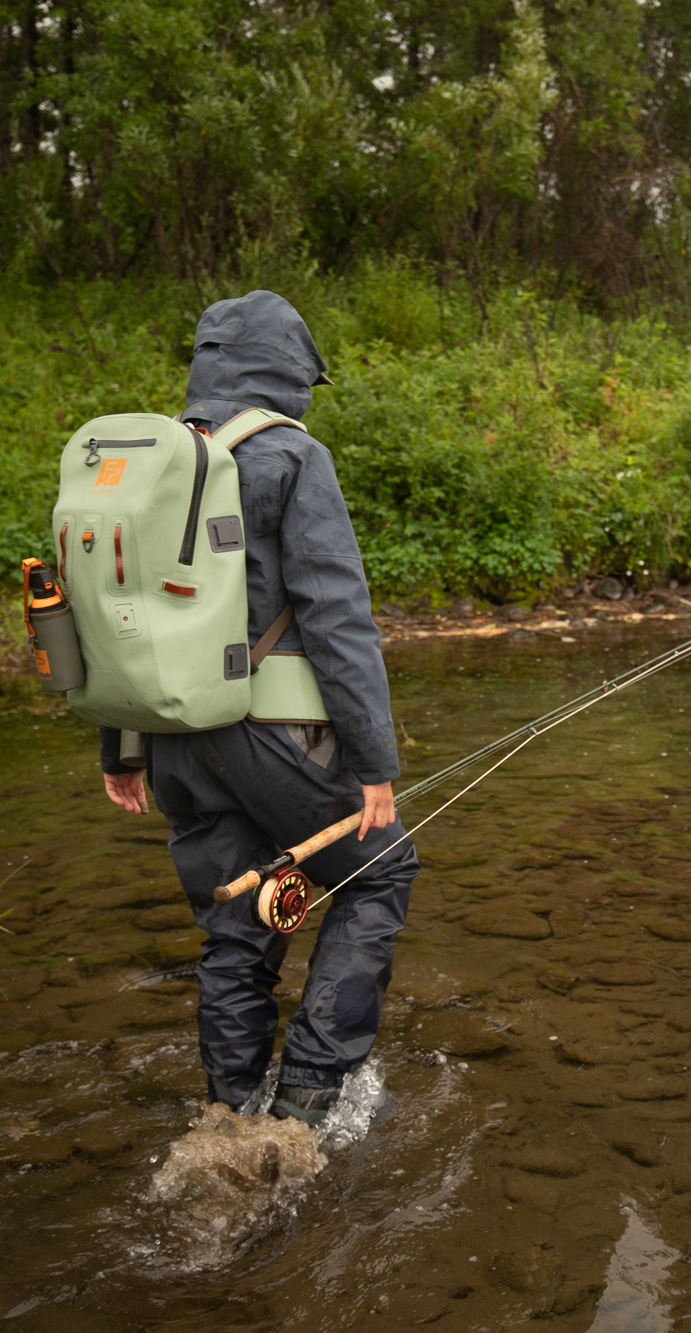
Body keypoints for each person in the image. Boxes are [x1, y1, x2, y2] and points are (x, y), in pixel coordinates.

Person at [99, 290, 417, 1126]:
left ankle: (232, 1119)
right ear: (290, 368)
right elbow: (337, 617)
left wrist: (121, 748)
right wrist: (375, 763)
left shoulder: (151, 456)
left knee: (236, 928)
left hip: (168, 736)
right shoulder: (288, 455)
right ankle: (308, 1103)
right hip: (274, 735)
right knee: (379, 870)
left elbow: (117, 609)